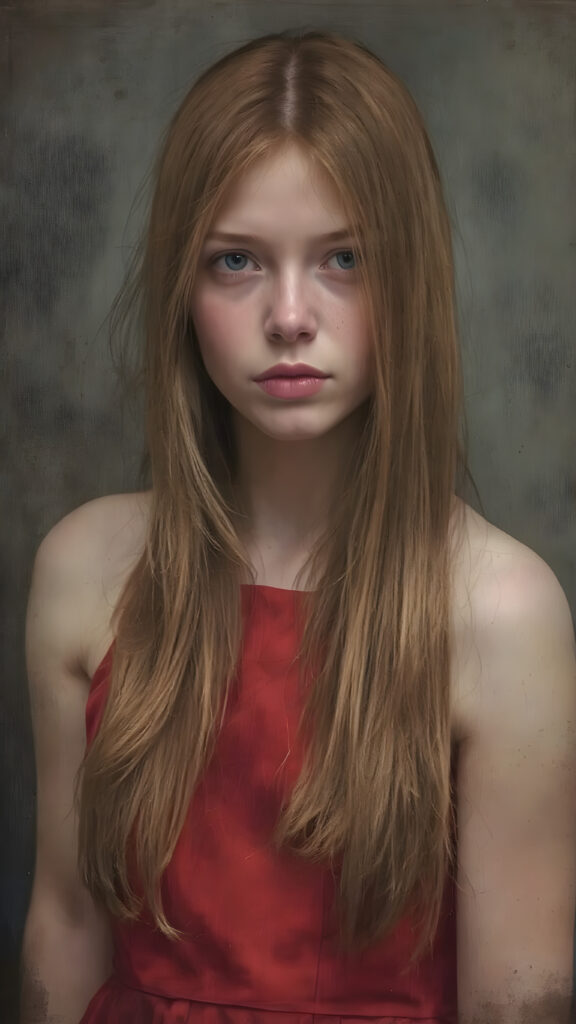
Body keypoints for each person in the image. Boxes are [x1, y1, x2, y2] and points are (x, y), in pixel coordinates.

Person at [20, 28, 576, 1024]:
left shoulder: (502, 609)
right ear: (182, 290)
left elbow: (519, 998)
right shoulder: (85, 569)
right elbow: (64, 922)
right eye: (235, 259)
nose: (288, 314)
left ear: (408, 280)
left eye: (344, 259)